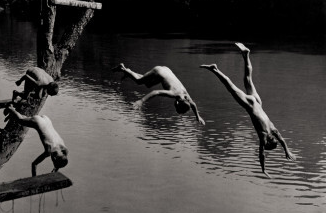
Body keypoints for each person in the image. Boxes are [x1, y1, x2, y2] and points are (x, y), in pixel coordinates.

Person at [200, 42, 296, 178]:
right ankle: (215, 69)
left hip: (258, 102)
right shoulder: (263, 136)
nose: (263, 145)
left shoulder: (273, 130)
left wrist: (286, 151)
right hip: (250, 105)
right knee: (230, 87)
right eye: (266, 145)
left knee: (247, 79)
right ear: (268, 142)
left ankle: (246, 55)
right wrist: (263, 169)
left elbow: (282, 140)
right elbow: (261, 153)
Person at [112, 63, 205, 125]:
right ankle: (123, 68)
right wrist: (141, 101)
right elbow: (155, 92)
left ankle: (129, 72)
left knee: (148, 84)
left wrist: (198, 116)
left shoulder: (186, 97)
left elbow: (193, 104)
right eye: (176, 108)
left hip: (166, 71)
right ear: (177, 103)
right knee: (139, 81)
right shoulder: (174, 94)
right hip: (159, 71)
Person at [4, 104, 68, 176]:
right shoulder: (49, 151)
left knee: (26, 120)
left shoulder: (64, 149)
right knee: (21, 120)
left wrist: (56, 168)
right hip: (38, 122)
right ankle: (11, 108)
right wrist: (34, 179)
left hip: (46, 119)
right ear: (55, 159)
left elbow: (62, 158)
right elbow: (34, 164)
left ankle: (13, 114)